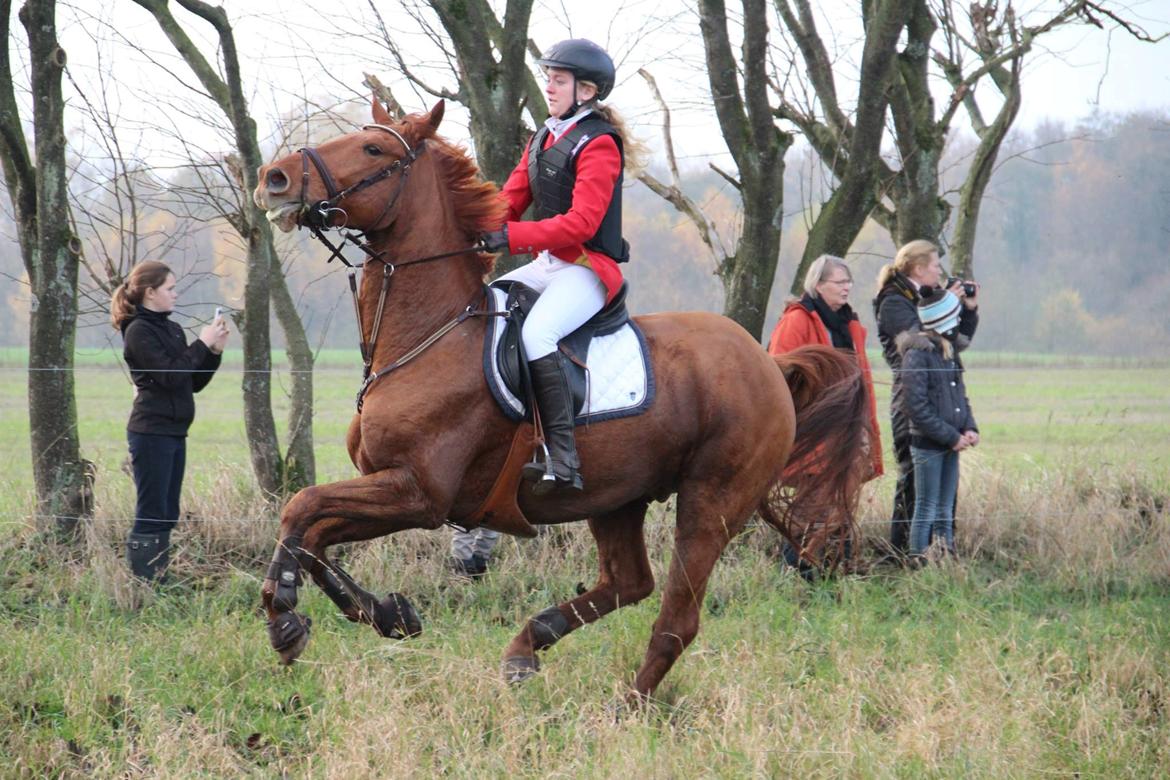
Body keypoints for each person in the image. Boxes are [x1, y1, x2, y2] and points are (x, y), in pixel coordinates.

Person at [479, 38, 645, 495]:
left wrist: (511, 237)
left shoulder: (599, 144)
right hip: (546, 264)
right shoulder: (543, 137)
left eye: (559, 80)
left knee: (537, 334)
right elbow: (509, 201)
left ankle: (563, 456)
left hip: (586, 269)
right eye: (547, 79)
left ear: (586, 91)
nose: (548, 88)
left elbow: (581, 223)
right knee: (484, 307)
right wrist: (466, 229)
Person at [110, 261, 229, 581]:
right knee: (151, 512)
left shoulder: (172, 329)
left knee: (167, 512)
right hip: (150, 434)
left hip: (175, 432)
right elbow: (169, 375)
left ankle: (159, 577)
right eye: (170, 289)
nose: (176, 294)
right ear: (150, 293)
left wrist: (213, 352)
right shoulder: (138, 331)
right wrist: (201, 344)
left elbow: (191, 383)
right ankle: (143, 583)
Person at [767, 254, 883, 574]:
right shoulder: (798, 320)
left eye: (849, 282)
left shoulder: (849, 324)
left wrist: (865, 429)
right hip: (814, 430)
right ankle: (796, 572)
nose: (847, 288)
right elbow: (781, 373)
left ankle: (836, 572)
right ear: (818, 285)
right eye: (839, 282)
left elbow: (862, 379)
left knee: (841, 507)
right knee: (810, 508)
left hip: (847, 429)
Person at [873, 240, 978, 558]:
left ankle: (940, 553)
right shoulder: (893, 300)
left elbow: (955, 342)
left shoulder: (923, 298)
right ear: (918, 268)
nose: (939, 272)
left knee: (940, 496)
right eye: (935, 265)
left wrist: (968, 311)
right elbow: (922, 339)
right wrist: (948, 301)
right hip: (912, 399)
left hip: (941, 398)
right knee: (913, 482)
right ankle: (904, 553)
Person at [896, 288, 979, 561]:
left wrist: (969, 428)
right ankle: (918, 559)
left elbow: (960, 396)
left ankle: (944, 557)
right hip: (928, 444)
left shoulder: (948, 352)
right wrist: (950, 436)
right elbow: (916, 407)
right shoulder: (918, 355)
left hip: (951, 442)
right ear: (944, 320)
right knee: (926, 506)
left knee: (945, 507)